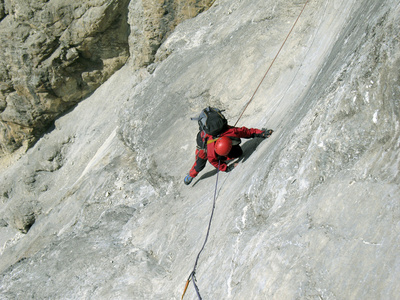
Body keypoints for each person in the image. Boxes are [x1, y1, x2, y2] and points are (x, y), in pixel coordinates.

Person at [184, 123, 273, 185]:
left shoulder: (230, 132)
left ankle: (225, 155)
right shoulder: (210, 154)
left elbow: (245, 132)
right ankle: (190, 175)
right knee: (199, 165)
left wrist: (261, 133)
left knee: (238, 152)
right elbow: (214, 162)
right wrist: (226, 168)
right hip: (203, 143)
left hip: (220, 141)